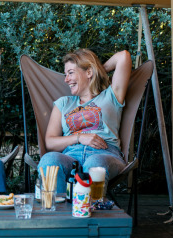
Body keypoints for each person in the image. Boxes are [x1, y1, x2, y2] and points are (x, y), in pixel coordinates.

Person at [37, 49, 132, 194]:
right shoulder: (63, 103)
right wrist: (79, 137)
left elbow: (123, 56)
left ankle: (90, 213)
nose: (66, 79)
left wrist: (97, 71)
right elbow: (50, 142)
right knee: (49, 160)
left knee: (95, 165)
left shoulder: (111, 97)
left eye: (70, 73)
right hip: (70, 156)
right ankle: (59, 214)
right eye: (65, 74)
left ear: (89, 72)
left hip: (105, 154)